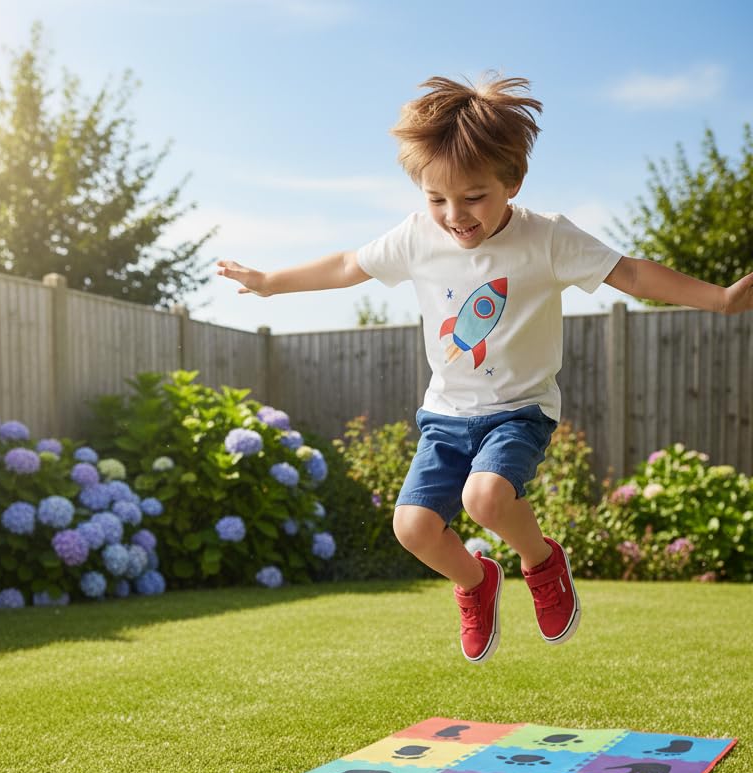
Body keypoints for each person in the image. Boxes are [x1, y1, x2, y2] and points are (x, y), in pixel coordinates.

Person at [217, 74, 753, 664]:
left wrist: (720, 299)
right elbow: (348, 265)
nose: (454, 215)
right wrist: (270, 282)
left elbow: (630, 273)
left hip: (519, 411)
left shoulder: (547, 237)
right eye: (436, 199)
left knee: (486, 499)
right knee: (412, 528)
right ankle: (476, 581)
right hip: (445, 416)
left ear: (512, 181)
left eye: (473, 197)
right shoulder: (417, 237)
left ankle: (542, 562)